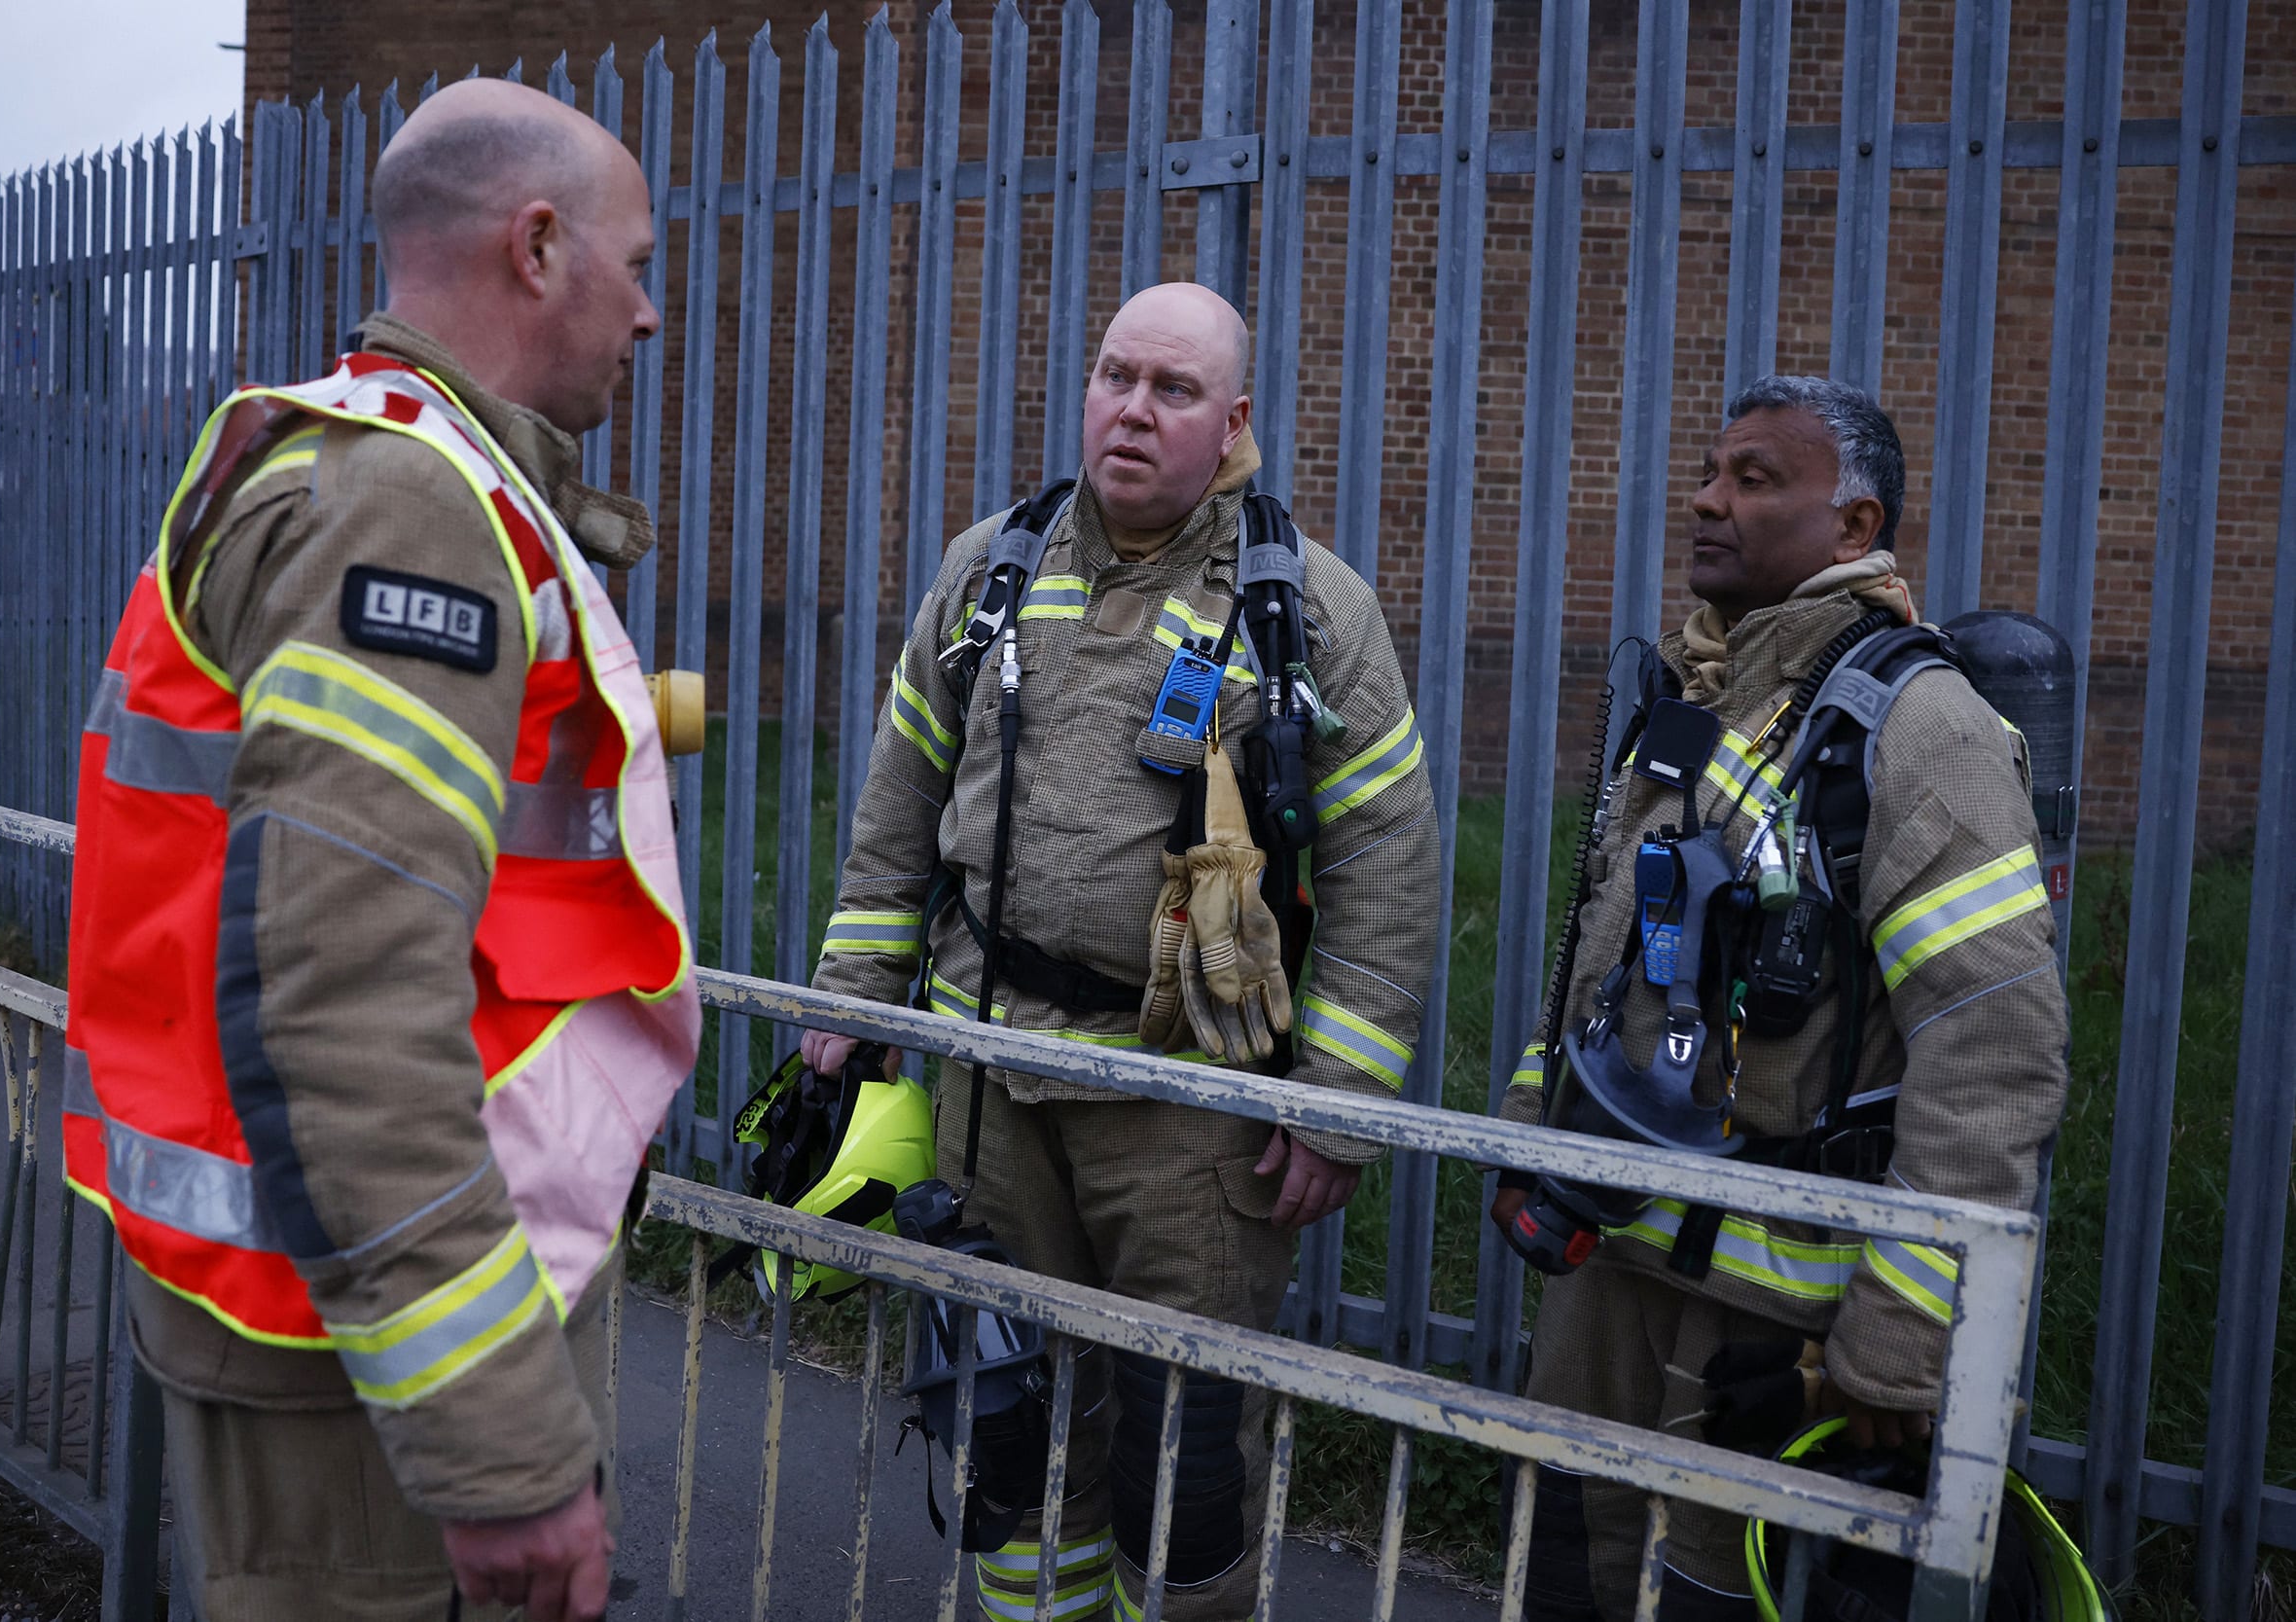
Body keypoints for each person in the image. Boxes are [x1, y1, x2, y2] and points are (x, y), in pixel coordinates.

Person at [60, 79, 699, 1622]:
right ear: (535, 247)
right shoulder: (409, 512)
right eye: (639, 263)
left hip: (333, 1312)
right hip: (363, 1358)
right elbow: (343, 1001)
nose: (653, 314)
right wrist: (501, 1450)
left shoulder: (369, 467)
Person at [802, 281, 1440, 1621]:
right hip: (991, 1076)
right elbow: (901, 794)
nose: (1133, 410)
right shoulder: (993, 566)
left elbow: (1389, 863)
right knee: (1012, 1436)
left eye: (1174, 389)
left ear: (1236, 420)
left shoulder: (1309, 609)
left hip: (1188, 1109)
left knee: (1183, 1461)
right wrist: (856, 991)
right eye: (1116, 376)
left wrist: (1338, 1097)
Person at [1489, 376, 2068, 1622]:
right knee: (1562, 1577)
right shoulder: (1707, 699)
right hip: (1605, 1271)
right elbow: (1605, 956)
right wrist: (1530, 1136)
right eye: (1711, 471)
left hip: (1762, 1329)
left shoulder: (1926, 732)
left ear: (1853, 527)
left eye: (1755, 478)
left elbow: (1994, 1056)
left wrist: (1895, 1345)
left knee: (1697, 1594)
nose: (1706, 498)